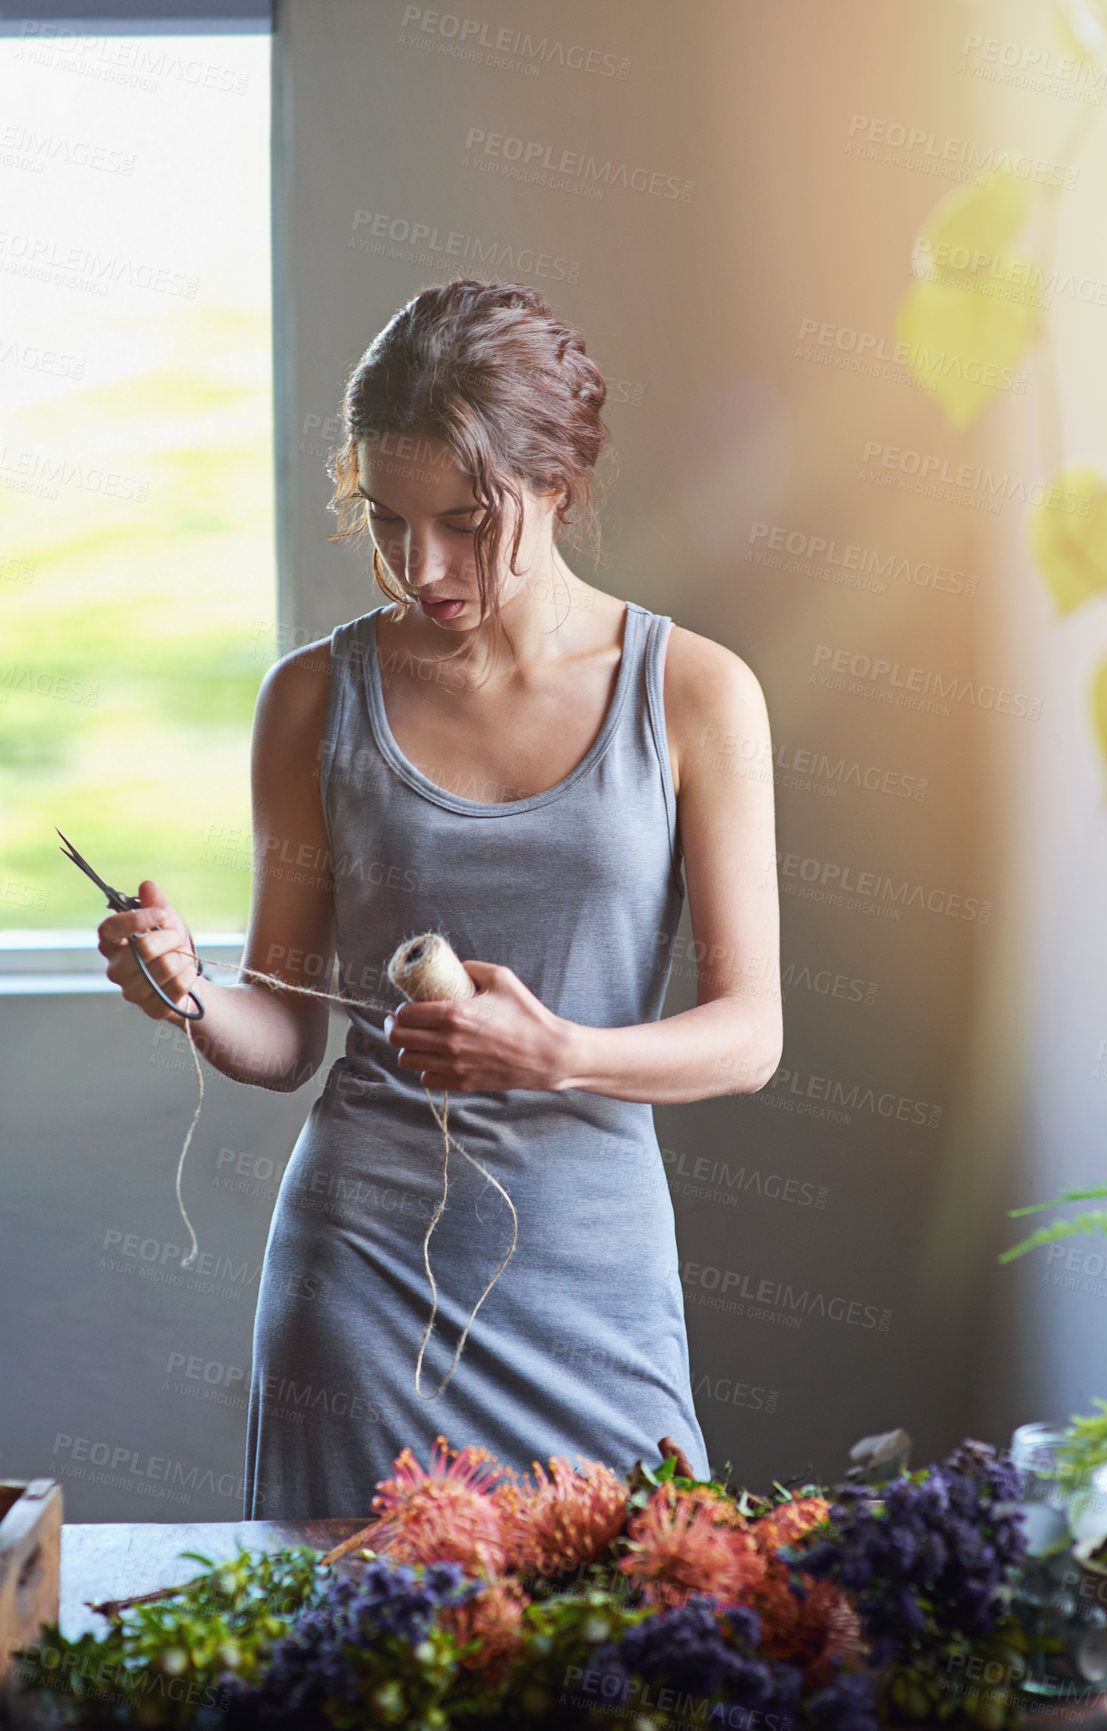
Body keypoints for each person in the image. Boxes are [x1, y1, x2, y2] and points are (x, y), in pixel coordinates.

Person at [96, 278, 783, 1521]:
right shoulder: (312, 698)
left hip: (595, 1280)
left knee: (640, 1672)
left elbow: (750, 1038)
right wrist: (188, 990)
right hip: (357, 1288)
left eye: (467, 521)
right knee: (353, 1684)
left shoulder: (695, 693)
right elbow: (287, 1032)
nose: (423, 566)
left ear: (557, 482)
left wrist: (559, 1051)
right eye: (388, 519)